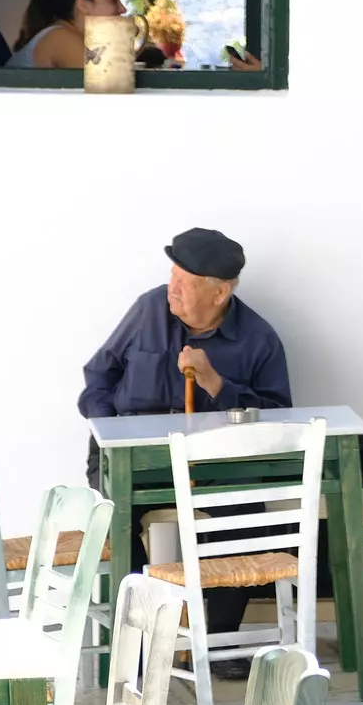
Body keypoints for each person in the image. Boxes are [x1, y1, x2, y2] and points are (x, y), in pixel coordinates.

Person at [79, 228, 291, 679]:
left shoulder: (258, 337)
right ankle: (138, 648)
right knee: (117, 518)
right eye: (172, 276)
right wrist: (111, 432)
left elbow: (279, 419)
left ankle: (216, 643)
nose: (172, 288)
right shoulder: (149, 308)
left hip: (213, 463)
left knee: (245, 516)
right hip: (131, 455)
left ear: (220, 292)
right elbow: (98, 376)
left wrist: (216, 383)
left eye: (185, 281)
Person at [10, 0, 126, 67]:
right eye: (113, 0)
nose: (123, 9)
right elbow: (105, 81)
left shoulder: (72, 36)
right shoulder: (60, 38)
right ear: (83, 5)